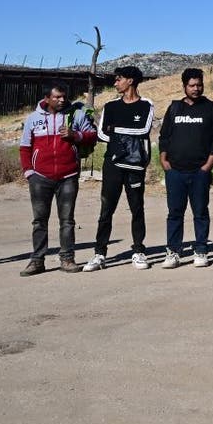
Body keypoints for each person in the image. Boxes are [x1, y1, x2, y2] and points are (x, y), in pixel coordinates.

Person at [18, 81, 97, 276]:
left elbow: (93, 135)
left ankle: (67, 259)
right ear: (47, 99)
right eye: (57, 97)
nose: (62, 100)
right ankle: (37, 261)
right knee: (39, 221)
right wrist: (29, 171)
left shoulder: (75, 115)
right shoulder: (33, 118)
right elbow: (25, 147)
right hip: (40, 177)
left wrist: (76, 135)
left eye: (64, 97)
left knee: (67, 220)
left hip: (68, 175)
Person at [83, 66, 155, 272]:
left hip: (135, 165)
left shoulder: (146, 105)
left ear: (130, 81)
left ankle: (139, 251)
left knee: (137, 208)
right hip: (112, 164)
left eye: (119, 79)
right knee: (106, 209)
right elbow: (102, 135)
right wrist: (120, 133)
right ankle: (99, 253)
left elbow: (143, 130)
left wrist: (116, 130)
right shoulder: (110, 106)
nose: (115, 83)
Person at [158, 68, 213, 269]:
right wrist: (164, 161)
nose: (196, 89)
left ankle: (201, 250)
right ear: (184, 86)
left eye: (199, 85)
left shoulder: (211, 108)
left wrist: (208, 164)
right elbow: (164, 136)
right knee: (175, 213)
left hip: (199, 172)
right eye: (192, 85)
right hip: (175, 171)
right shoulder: (174, 108)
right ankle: (173, 252)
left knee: (200, 212)